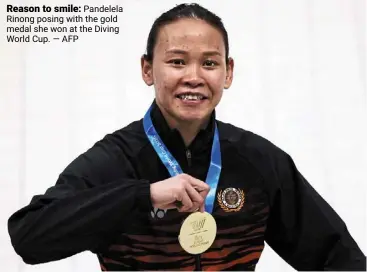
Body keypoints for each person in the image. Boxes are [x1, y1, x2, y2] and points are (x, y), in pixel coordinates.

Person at [8, 3, 366, 271]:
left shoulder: (259, 161)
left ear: (228, 72)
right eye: (177, 62)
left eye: (209, 63)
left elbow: (337, 257)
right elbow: (29, 237)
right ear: (147, 69)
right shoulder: (114, 161)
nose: (194, 76)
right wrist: (142, 196)